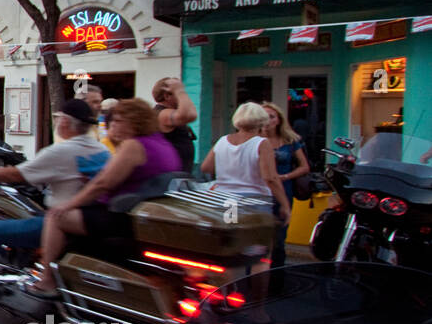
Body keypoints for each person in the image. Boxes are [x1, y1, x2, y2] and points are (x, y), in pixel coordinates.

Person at [34, 98, 182, 295]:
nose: (113, 125)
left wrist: (68, 205)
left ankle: (47, 279)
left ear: (135, 121)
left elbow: (102, 184)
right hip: (142, 216)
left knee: (55, 217)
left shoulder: (134, 146)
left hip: (120, 216)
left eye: (119, 121)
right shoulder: (163, 144)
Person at [0, 99, 110, 270]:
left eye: (57, 117)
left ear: (66, 121)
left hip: (63, 220)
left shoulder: (61, 151)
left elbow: (16, 174)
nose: (56, 122)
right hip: (93, 217)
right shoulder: (101, 149)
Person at [200, 102, 291, 264]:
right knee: (259, 255)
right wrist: (285, 204)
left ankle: (234, 289)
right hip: (254, 203)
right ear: (261, 121)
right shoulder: (261, 144)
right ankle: (258, 290)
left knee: (232, 250)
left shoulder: (222, 141)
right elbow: (270, 177)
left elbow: (206, 167)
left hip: (227, 201)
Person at [152, 77, 198, 174]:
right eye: (176, 94)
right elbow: (189, 115)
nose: (182, 97)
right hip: (168, 177)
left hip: (176, 175)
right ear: (167, 96)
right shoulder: (162, 114)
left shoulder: (164, 112)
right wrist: (180, 91)